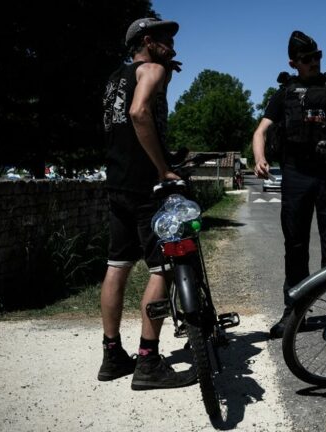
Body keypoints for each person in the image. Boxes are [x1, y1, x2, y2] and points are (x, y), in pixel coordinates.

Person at [98, 17, 196, 390]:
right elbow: (139, 114)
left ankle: (112, 355)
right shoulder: (152, 69)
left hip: (117, 182)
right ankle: (149, 360)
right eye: (167, 40)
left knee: (117, 265)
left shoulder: (114, 80)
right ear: (148, 41)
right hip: (144, 187)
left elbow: (124, 123)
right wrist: (163, 168)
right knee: (162, 267)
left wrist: (164, 72)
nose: (173, 46)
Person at [252, 31, 326, 339]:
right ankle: (295, 312)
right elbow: (261, 131)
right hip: (296, 175)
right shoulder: (285, 92)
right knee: (295, 245)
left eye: (317, 56)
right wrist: (259, 158)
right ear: (294, 63)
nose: (313, 62)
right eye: (306, 59)